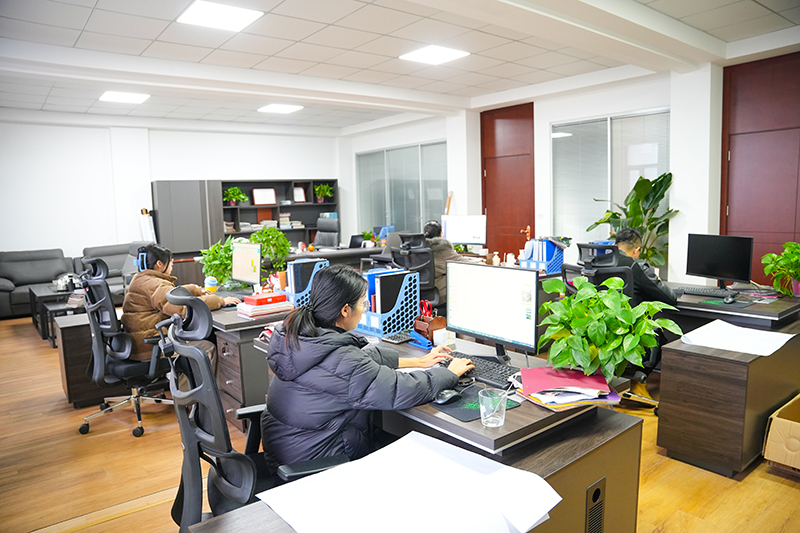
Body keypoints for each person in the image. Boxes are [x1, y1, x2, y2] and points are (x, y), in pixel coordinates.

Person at [262, 264, 475, 465]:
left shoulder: (300, 336)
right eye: (364, 303)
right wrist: (449, 374)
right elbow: (398, 389)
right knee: (429, 453)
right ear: (345, 310)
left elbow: (359, 361)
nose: (365, 309)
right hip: (321, 463)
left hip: (291, 450)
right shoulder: (341, 358)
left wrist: (419, 361)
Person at [121, 244, 241, 373]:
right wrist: (220, 301)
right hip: (152, 347)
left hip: (139, 344)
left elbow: (169, 294)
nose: (172, 267)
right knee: (207, 348)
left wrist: (195, 290)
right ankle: (190, 386)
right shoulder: (155, 284)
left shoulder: (141, 278)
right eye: (171, 264)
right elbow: (183, 308)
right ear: (159, 264)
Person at [614, 228, 680, 308]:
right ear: (636, 250)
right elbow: (670, 297)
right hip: (630, 315)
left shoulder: (601, 261)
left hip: (604, 315)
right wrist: (657, 280)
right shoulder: (636, 265)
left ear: (614, 245)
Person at [423, 220, 476, 311]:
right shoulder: (442, 250)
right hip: (439, 297)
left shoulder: (417, 250)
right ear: (441, 234)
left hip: (418, 296)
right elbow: (468, 264)